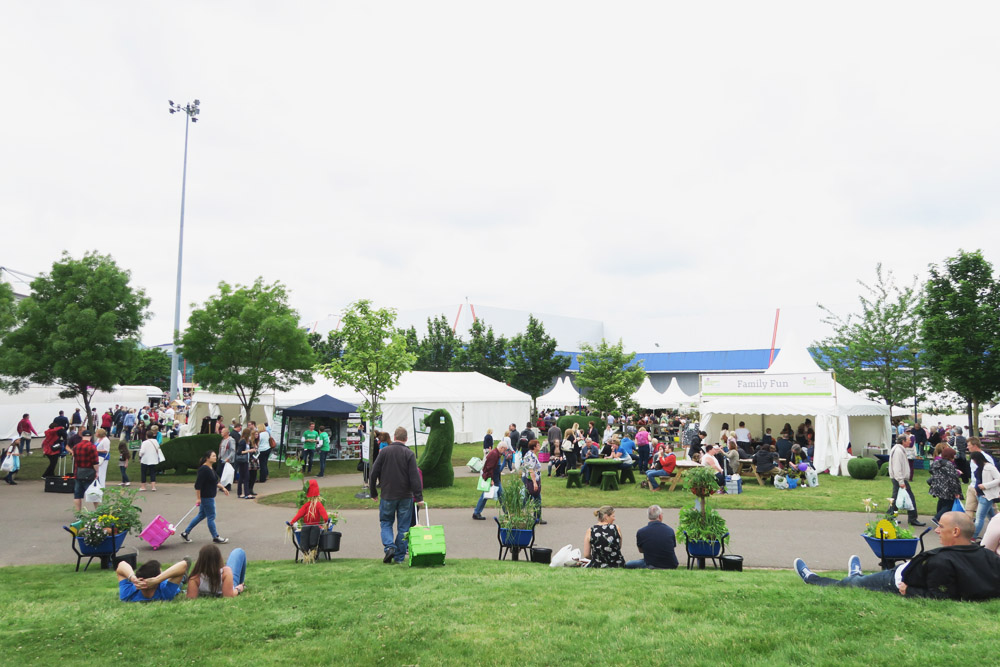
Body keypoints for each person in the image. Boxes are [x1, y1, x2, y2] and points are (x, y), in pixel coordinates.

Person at [794, 512, 1000, 600]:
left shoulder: (943, 561)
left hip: (894, 579)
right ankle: (855, 576)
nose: (937, 531)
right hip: (906, 570)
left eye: (941, 527)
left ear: (955, 532)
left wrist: (909, 590)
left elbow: (939, 596)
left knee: (847, 586)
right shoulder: (989, 557)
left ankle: (812, 579)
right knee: (857, 582)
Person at [368, 426, 423, 564]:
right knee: (403, 527)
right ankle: (399, 557)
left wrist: (373, 492)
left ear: (394, 436)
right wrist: (419, 497)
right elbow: (414, 476)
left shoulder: (384, 452)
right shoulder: (409, 454)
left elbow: (374, 472)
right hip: (406, 495)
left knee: (386, 522)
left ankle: (389, 547)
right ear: (406, 438)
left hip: (387, 494)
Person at [181, 451, 231, 544]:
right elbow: (198, 485)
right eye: (213, 456)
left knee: (201, 515)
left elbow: (215, 481)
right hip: (206, 497)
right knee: (211, 516)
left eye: (215, 456)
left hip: (209, 496)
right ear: (207, 458)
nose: (215, 457)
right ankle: (215, 536)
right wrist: (198, 498)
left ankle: (185, 532)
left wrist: (223, 488)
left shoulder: (210, 468)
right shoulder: (204, 469)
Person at [887, 434, 925, 526]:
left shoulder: (898, 449)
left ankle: (890, 517)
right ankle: (912, 518)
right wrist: (901, 481)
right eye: (908, 440)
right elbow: (897, 467)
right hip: (899, 479)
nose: (910, 441)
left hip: (898, 478)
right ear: (903, 441)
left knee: (895, 498)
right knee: (910, 498)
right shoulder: (898, 451)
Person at [626, 505, 679, 569]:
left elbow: (641, 550)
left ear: (649, 516)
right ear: (660, 516)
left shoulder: (641, 532)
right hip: (670, 564)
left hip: (651, 563)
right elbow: (672, 546)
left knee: (628, 564)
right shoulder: (670, 530)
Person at [116, 557, 191, 602]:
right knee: (179, 576)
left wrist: (132, 578)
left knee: (173, 571)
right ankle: (184, 575)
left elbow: (122, 564)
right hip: (170, 581)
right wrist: (158, 580)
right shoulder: (165, 593)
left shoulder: (127, 594)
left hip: (157, 581)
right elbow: (183, 564)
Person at [473, 441, 509, 520]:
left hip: (495, 479)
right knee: (490, 495)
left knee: (490, 495)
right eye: (505, 449)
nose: (505, 451)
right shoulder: (494, 454)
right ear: (501, 448)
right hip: (493, 479)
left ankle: (507, 512)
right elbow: (489, 468)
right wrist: (491, 479)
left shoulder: (496, 454)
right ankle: (476, 512)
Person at [964, 438, 996, 525]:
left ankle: (995, 529)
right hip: (972, 486)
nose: (967, 447)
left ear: (974, 446)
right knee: (969, 509)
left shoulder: (986, 458)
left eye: (969, 445)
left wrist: (987, 487)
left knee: (992, 512)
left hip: (984, 488)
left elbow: (993, 474)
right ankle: (967, 531)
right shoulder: (972, 457)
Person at [969, 451, 999, 540]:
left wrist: (985, 486)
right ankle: (996, 532)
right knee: (992, 517)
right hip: (981, 495)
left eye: (973, 460)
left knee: (979, 517)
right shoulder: (980, 467)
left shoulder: (989, 467)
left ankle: (972, 537)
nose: (973, 462)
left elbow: (998, 479)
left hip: (986, 496)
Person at [928, 446, 962, 522]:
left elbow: (932, 471)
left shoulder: (937, 462)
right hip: (947, 488)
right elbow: (953, 479)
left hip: (937, 486)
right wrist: (956, 491)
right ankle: (937, 518)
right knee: (949, 504)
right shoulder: (949, 465)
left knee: (941, 501)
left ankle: (939, 518)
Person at [70, 430, 99, 512]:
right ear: (90, 436)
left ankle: (78, 514)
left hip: (78, 472)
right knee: (94, 494)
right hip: (90, 473)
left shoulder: (76, 446)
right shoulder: (92, 447)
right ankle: (99, 512)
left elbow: (74, 458)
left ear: (82, 436)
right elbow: (95, 462)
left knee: (77, 495)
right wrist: (97, 472)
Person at [522, 439, 545, 524]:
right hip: (530, 479)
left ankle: (518, 513)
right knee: (537, 498)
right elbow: (531, 470)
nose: (539, 446)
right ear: (534, 447)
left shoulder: (531, 454)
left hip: (530, 479)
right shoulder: (531, 456)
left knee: (527, 497)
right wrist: (535, 482)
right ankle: (537, 518)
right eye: (538, 445)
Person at [138, 427, 164, 492]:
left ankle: (143, 486)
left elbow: (142, 451)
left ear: (146, 436)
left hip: (145, 459)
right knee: (153, 473)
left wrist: (140, 456)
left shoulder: (144, 442)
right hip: (153, 459)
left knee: (143, 473)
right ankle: (153, 486)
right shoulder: (155, 442)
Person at [217, 426, 235, 490]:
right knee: (219, 471)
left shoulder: (231, 440)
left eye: (222, 432)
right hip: (221, 459)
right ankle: (223, 484)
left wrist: (228, 458)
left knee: (227, 473)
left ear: (226, 433)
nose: (221, 433)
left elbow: (233, 450)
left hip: (227, 460)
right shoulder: (223, 440)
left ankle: (227, 486)